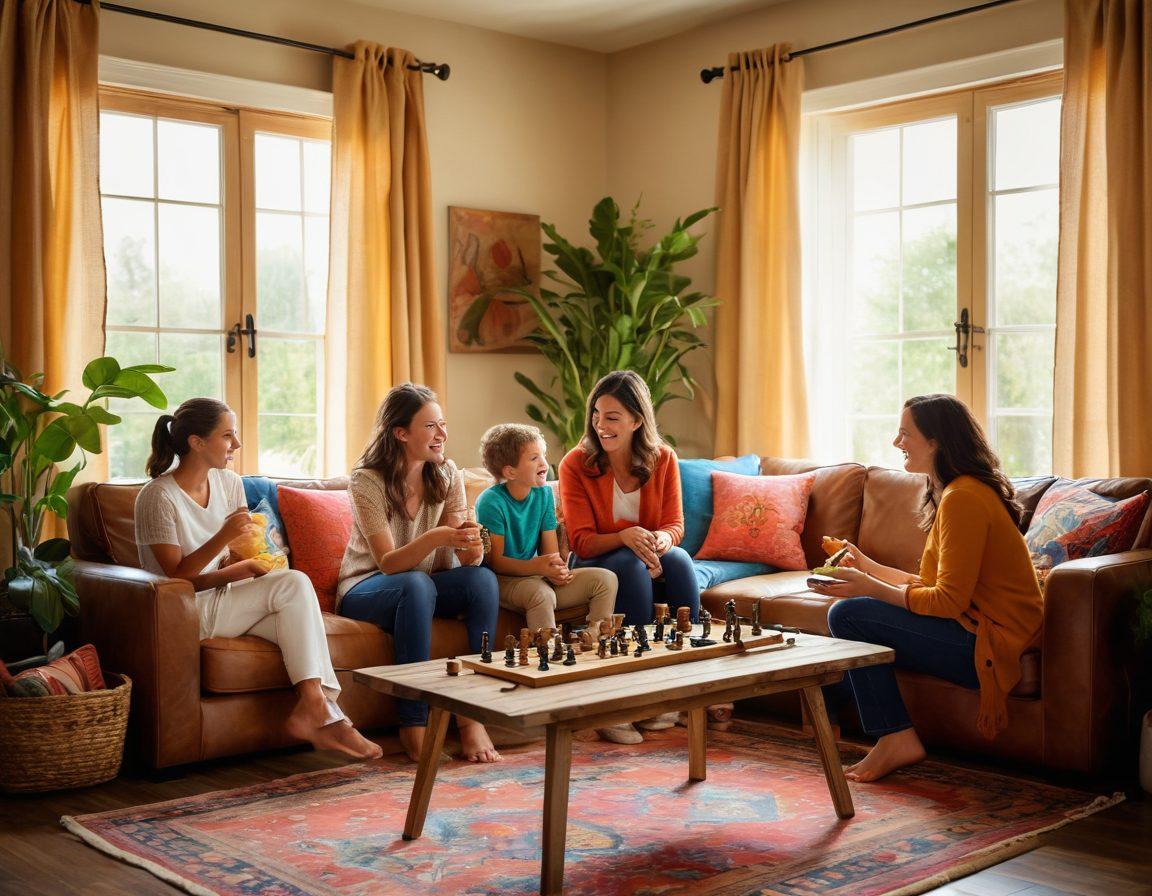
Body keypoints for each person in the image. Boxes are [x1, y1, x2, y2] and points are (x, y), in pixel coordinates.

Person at [812, 393, 1044, 782]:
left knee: (849, 615)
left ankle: (895, 737)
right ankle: (856, 727)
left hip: (989, 643)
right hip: (973, 627)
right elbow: (933, 586)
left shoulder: (964, 498)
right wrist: (864, 565)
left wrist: (867, 587)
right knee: (850, 620)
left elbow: (946, 601)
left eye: (905, 433)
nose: (896, 442)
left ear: (935, 441)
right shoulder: (957, 491)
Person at [135, 398, 381, 761]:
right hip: (185, 611)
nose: (236, 445)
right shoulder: (157, 497)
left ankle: (322, 710)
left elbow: (240, 552)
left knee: (293, 610)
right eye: (227, 436)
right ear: (196, 442)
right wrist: (224, 543)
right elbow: (175, 577)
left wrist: (251, 561)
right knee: (294, 585)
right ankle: (323, 713)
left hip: (228, 599)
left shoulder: (229, 482)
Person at [337, 383, 502, 764]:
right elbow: (388, 563)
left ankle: (472, 715)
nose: (441, 434)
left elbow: (460, 557)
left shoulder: (447, 473)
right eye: (430, 426)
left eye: (442, 424)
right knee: (414, 583)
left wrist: (473, 548)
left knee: (482, 581)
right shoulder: (367, 480)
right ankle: (414, 723)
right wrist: (438, 537)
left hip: (423, 584)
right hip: (365, 588)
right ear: (401, 432)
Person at [559, 370, 700, 744]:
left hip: (646, 553)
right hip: (595, 563)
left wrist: (658, 542)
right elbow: (581, 542)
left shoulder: (663, 459)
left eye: (612, 417)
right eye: (596, 415)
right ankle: (629, 698)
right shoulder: (576, 464)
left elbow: (675, 525)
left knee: (682, 562)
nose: (600, 426)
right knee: (630, 566)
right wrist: (624, 537)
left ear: (637, 421)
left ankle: (688, 688)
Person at [475, 423, 617, 634]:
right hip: (503, 581)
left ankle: (595, 642)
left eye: (543, 455)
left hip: (536, 577)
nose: (543, 462)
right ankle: (547, 656)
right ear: (510, 471)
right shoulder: (491, 501)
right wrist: (539, 567)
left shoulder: (544, 495)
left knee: (605, 579)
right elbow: (496, 562)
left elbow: (550, 555)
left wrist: (556, 571)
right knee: (542, 594)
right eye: (534, 458)